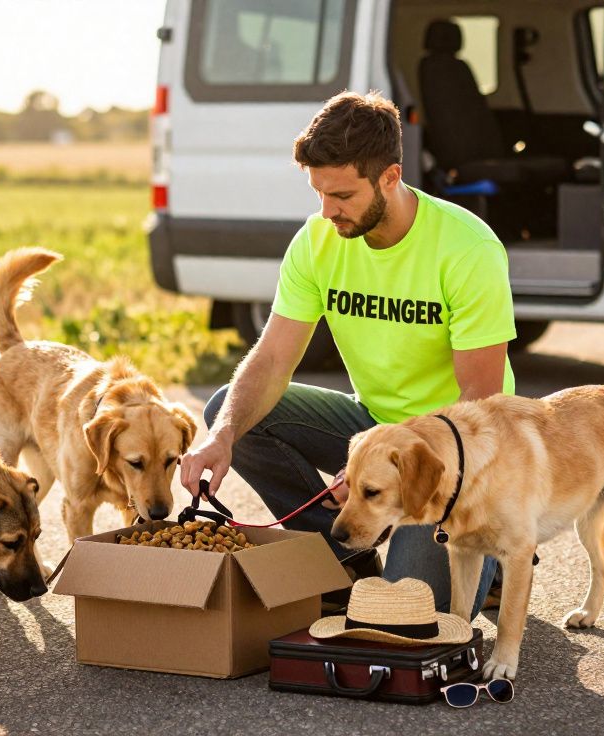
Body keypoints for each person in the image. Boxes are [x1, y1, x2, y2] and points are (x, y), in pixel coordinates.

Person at [179, 91, 516, 619]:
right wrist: (220, 437)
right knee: (232, 409)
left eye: (340, 195)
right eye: (318, 193)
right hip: (373, 426)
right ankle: (341, 558)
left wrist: (375, 467)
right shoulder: (317, 240)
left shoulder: (467, 249)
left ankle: (495, 551)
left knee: (410, 611)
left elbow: (479, 403)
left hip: (459, 452)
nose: (326, 211)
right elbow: (271, 360)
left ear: (389, 176)